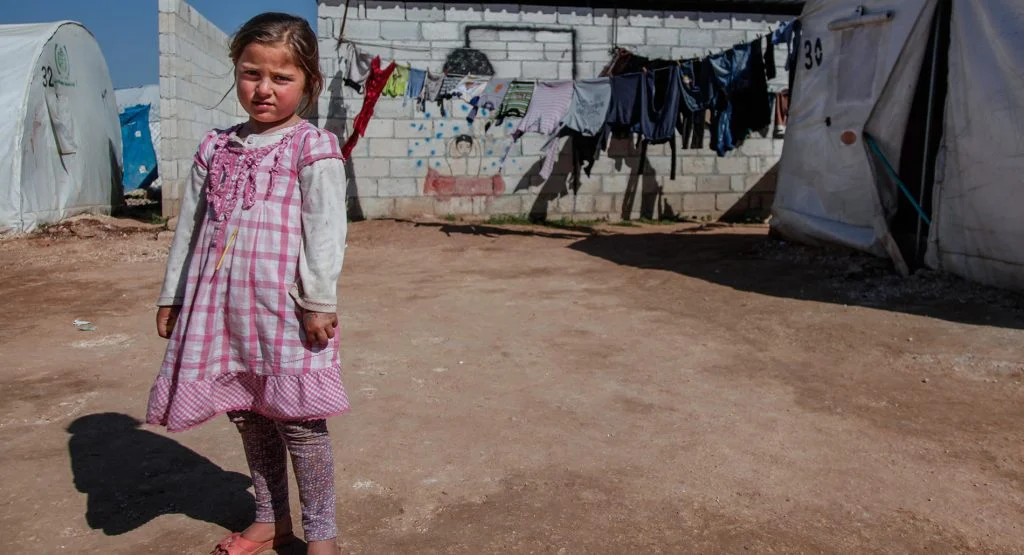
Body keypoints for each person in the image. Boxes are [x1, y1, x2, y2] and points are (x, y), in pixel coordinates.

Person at [147, 12, 347, 555]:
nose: (264, 89)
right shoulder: (215, 147)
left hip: (285, 311)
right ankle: (271, 518)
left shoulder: (313, 147)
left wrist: (318, 302)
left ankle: (321, 537)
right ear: (235, 71)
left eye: (282, 78)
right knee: (250, 418)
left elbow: (325, 233)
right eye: (250, 73)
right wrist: (174, 295)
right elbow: (189, 227)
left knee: (302, 426)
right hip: (222, 312)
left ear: (309, 82)